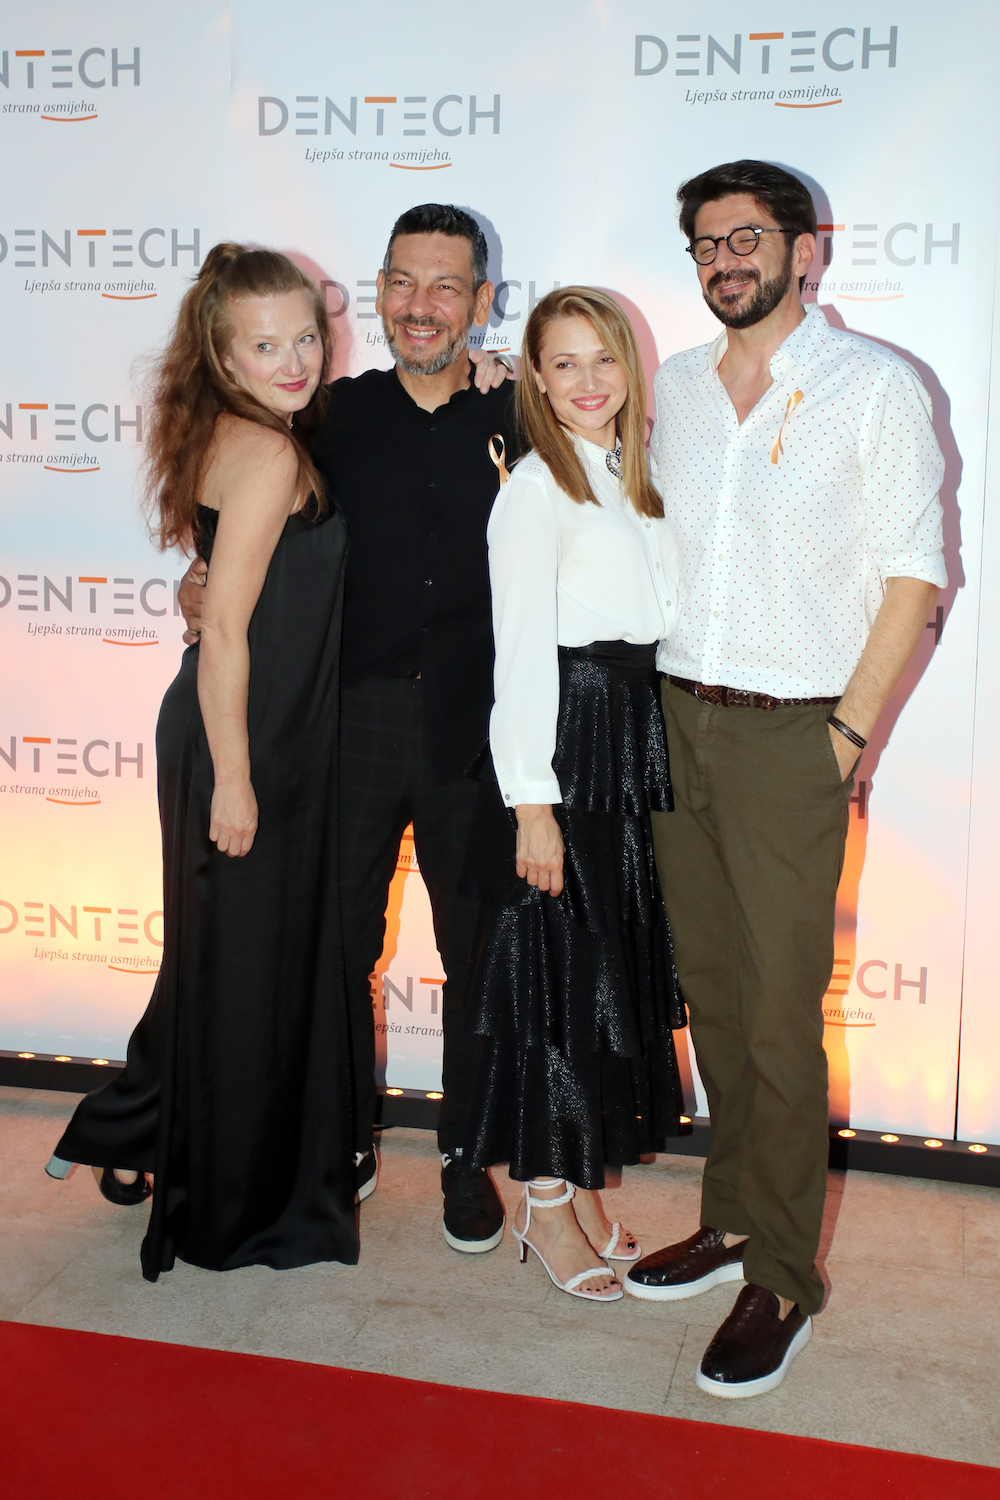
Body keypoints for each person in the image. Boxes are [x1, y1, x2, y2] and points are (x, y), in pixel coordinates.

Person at [623, 161, 946, 1395]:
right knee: (712, 996)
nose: (725, 261)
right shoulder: (672, 387)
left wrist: (846, 737)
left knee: (777, 1016)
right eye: (706, 244)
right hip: (675, 721)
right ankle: (732, 1220)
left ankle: (783, 1279)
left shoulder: (873, 386)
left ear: (805, 250)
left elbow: (914, 574)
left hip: (791, 738)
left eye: (746, 237)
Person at [179, 205, 515, 1253]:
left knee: (477, 958)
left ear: (481, 301)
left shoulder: (524, 416)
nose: (421, 305)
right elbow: (241, 536)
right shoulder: (323, 417)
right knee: (333, 950)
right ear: (375, 292)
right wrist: (198, 583)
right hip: (344, 722)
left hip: (476, 731)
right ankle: (339, 1142)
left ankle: (465, 1159)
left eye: (446, 285)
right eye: (402, 281)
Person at [47, 244, 359, 1282]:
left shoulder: (244, 433)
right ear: (223, 357)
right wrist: (236, 778)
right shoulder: (266, 452)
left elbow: (227, 585)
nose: (295, 360)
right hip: (244, 742)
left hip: (256, 734)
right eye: (266, 346)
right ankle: (225, 1203)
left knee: (225, 967)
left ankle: (131, 1131)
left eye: (305, 337)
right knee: (240, 976)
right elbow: (223, 631)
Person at [463, 287, 688, 1300]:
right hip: (567, 737)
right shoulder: (533, 490)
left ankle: (582, 1184)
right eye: (564, 363)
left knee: (602, 971)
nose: (588, 380)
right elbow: (518, 652)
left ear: (629, 370)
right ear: (537, 381)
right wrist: (531, 803)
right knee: (556, 975)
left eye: (604, 359)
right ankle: (543, 1201)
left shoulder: (636, 474)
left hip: (629, 730)